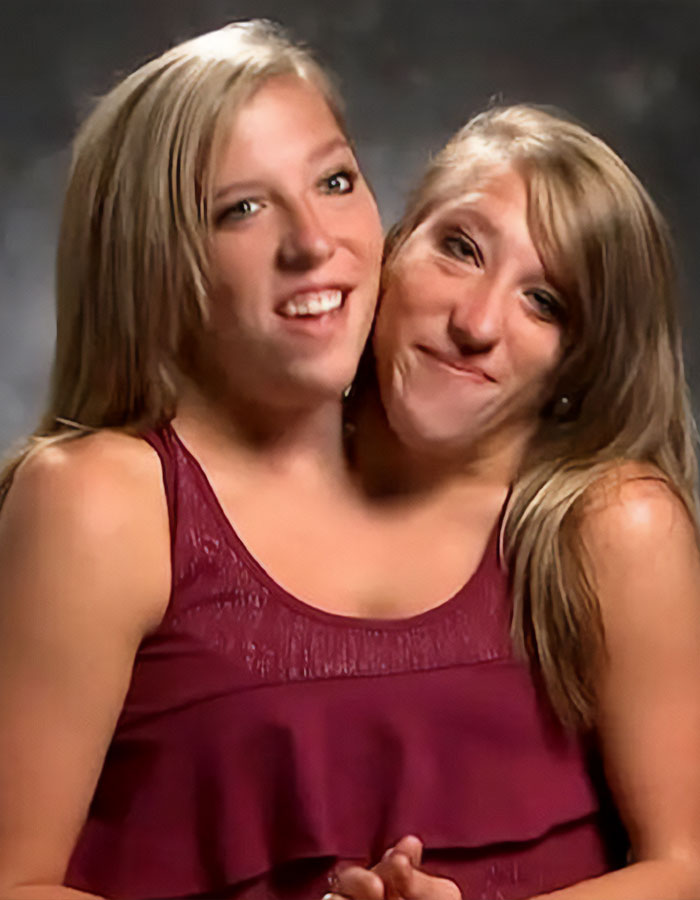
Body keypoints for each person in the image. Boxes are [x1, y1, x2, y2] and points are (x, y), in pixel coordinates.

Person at [0, 20, 384, 900]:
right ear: (154, 262)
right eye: (240, 209)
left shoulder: (459, 467)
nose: (314, 242)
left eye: (334, 180)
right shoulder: (100, 500)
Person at [325, 105, 700, 899]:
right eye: (460, 250)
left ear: (580, 364)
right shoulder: (227, 488)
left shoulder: (613, 526)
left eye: (546, 303)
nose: (477, 323)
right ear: (395, 245)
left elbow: (687, 865)